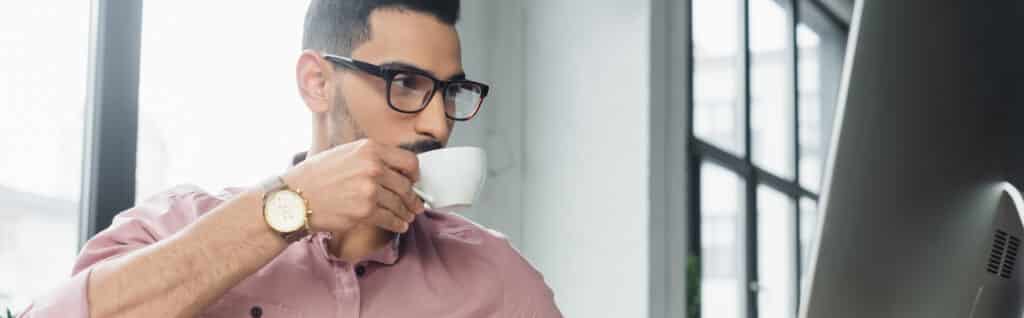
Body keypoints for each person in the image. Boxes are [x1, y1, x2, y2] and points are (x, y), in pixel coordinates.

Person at [19, 0, 561, 316]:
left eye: (448, 92)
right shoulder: (173, 225)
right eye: (405, 82)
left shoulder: (498, 279)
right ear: (317, 83)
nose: (438, 124)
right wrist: (286, 209)